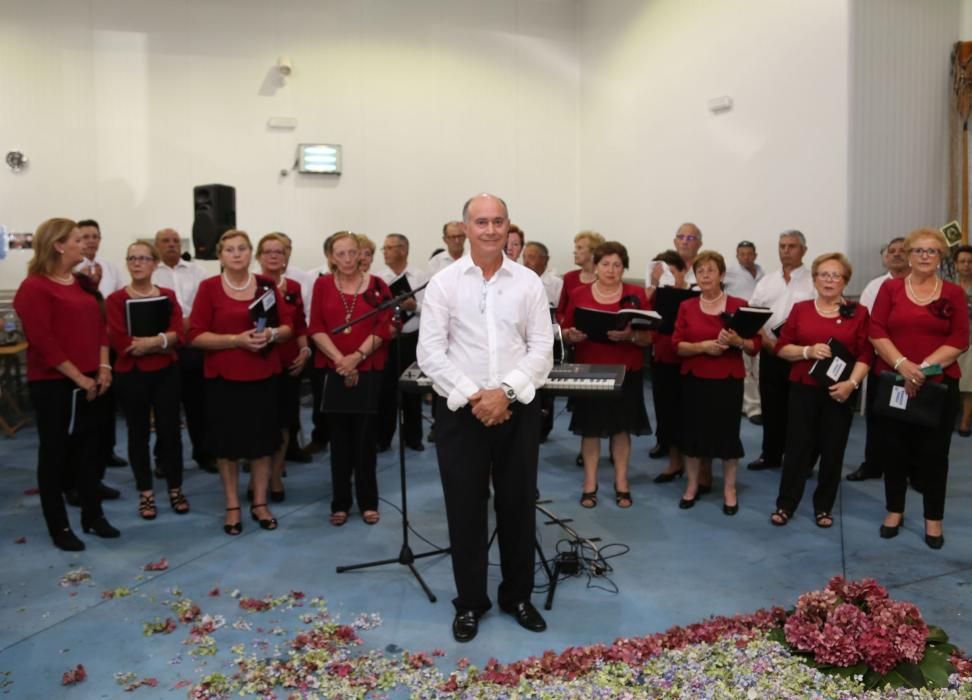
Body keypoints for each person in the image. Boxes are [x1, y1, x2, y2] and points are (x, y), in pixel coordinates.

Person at [418, 193, 553, 643]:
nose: (491, 230)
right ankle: (470, 602)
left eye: (498, 222)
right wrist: (477, 396)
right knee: (465, 510)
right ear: (466, 228)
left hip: (517, 408)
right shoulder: (444, 283)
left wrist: (506, 393)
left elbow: (541, 350)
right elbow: (430, 353)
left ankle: (517, 596)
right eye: (481, 222)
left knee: (517, 505)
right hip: (462, 411)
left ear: (509, 226)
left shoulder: (528, 282)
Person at [14, 218, 120, 550]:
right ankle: (58, 526)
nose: (85, 244)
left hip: (93, 378)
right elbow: (44, 342)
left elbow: (101, 327)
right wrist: (79, 378)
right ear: (59, 245)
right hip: (56, 384)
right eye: (77, 239)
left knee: (91, 451)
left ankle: (93, 514)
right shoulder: (35, 287)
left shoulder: (82, 284)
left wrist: (103, 367)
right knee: (56, 455)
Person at [188, 230, 293, 535]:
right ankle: (232, 504)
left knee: (262, 444)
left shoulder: (266, 285)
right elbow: (194, 335)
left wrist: (270, 335)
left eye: (242, 248)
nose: (236, 254)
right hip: (223, 377)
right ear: (220, 256)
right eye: (230, 249)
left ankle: (260, 502)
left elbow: (286, 327)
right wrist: (235, 340)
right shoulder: (209, 288)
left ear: (251, 254)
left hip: (262, 374)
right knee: (227, 446)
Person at [869, 228, 969, 549]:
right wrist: (903, 365)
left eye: (932, 251)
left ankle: (933, 519)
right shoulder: (890, 289)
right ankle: (894, 510)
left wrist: (923, 368)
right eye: (919, 251)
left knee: (934, 454)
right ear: (908, 255)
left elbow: (959, 339)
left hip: (938, 384)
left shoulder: (952, 293)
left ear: (941, 258)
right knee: (894, 449)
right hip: (894, 381)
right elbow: (876, 329)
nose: (925, 256)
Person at [770, 253, 871, 528]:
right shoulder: (801, 309)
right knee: (796, 450)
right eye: (823, 274)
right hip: (803, 390)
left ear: (845, 281)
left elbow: (865, 354)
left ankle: (823, 507)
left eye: (835, 275)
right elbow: (781, 348)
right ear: (814, 279)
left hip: (840, 392)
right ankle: (786, 504)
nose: (829, 280)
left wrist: (851, 384)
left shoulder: (858, 313)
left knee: (833, 450)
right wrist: (807, 351)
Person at [309, 232, 392, 526]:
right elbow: (316, 326)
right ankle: (341, 502)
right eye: (339, 254)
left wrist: (356, 357)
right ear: (331, 257)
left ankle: (368, 501)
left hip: (368, 369)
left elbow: (384, 328)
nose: (346, 259)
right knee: (339, 439)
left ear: (361, 254)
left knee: (366, 440)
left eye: (351, 253)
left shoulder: (378, 286)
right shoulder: (321, 285)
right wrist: (340, 361)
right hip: (333, 370)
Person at [562, 241, 652, 508]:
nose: (611, 270)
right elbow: (565, 327)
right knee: (590, 429)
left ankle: (621, 481)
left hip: (626, 370)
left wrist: (631, 335)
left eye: (617, 265)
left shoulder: (636, 294)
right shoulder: (578, 293)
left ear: (624, 267)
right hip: (590, 369)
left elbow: (650, 336)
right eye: (605, 264)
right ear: (596, 266)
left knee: (621, 429)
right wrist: (570, 335)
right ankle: (590, 483)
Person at [672, 250, 761, 515]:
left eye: (711, 270)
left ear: (722, 275)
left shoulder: (738, 305)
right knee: (694, 436)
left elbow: (755, 345)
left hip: (727, 380)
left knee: (727, 436)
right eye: (700, 271)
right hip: (695, 379)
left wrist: (738, 342)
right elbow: (677, 346)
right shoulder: (686, 306)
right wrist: (702, 346)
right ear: (695, 276)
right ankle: (691, 485)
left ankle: (729, 489)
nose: (706, 275)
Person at [106, 241, 188, 519]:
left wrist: (153, 342)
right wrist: (161, 342)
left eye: (143, 258)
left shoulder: (168, 295)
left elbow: (179, 332)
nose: (137, 263)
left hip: (166, 372)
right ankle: (146, 494)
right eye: (132, 258)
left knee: (171, 433)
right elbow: (119, 340)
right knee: (137, 434)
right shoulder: (116, 300)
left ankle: (175, 488)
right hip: (132, 375)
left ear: (154, 264)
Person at [747, 230, 815, 471]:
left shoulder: (813, 280)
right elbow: (753, 315)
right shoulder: (766, 281)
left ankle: (801, 460)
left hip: (802, 354)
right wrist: (766, 341)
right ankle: (771, 454)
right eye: (782, 246)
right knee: (772, 405)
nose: (786, 250)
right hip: (770, 351)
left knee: (800, 410)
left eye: (792, 246)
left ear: (803, 250)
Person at [152, 227, 215, 473]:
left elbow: (204, 306)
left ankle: (204, 454)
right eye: (165, 241)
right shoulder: (151, 272)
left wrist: (187, 325)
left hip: (193, 345)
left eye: (175, 241)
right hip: (164, 346)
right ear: (157, 245)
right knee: (165, 408)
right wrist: (178, 326)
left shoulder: (198, 271)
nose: (171, 244)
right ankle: (165, 458)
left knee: (198, 405)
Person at [846, 237, 908, 481]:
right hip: (882, 362)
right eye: (891, 251)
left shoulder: (923, 285)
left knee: (912, 420)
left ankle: (912, 470)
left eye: (902, 251)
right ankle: (873, 465)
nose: (896, 255)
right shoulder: (875, 286)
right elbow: (868, 324)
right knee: (878, 417)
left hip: (915, 364)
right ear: (884, 257)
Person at [254, 233, 310, 502]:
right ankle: (259, 478)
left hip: (289, 364)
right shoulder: (251, 286)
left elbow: (299, 324)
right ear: (259, 257)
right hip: (260, 362)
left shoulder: (294, 287)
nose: (274, 256)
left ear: (286, 256)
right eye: (268, 251)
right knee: (262, 423)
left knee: (286, 423)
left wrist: (305, 349)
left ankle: (275, 475)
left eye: (279, 251)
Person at [75, 219, 127, 472]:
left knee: (109, 399)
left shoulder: (110, 267)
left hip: (110, 339)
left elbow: (117, 299)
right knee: (88, 405)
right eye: (85, 236)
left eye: (95, 236)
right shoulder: (72, 270)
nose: (91, 240)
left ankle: (108, 450)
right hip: (84, 342)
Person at [377, 233, 427, 452]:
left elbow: (434, 310)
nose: (385, 252)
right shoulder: (379, 278)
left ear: (404, 250)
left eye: (390, 247)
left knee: (412, 390)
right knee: (386, 391)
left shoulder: (421, 277)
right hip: (388, 340)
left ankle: (413, 437)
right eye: (384, 248)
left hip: (413, 339)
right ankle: (383, 437)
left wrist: (413, 307)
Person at [647, 250, 691, 481]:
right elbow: (644, 309)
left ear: (683, 271)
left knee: (686, 411)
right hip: (662, 355)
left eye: (672, 271)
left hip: (687, 357)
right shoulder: (657, 292)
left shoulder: (692, 294)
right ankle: (673, 459)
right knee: (665, 409)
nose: (668, 276)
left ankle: (692, 463)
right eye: (663, 272)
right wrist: (654, 284)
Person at [723, 241, 765, 424]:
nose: (746, 257)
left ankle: (752, 404)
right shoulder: (729, 273)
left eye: (749, 254)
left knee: (758, 367)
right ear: (737, 255)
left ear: (755, 255)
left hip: (759, 321)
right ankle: (752, 408)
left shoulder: (764, 274)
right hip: (739, 321)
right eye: (742, 254)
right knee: (745, 366)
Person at [555, 230, 604, 323]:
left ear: (594, 252)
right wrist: (566, 324)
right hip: (570, 332)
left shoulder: (606, 279)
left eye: (579, 248)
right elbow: (560, 311)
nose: (574, 251)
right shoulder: (569, 277)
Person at [955, 245, 972, 436]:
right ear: (956, 264)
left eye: (970, 262)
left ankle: (965, 420)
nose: (966, 265)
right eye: (962, 262)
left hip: (971, 338)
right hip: (948, 340)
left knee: (968, 383)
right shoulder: (947, 284)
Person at [522, 241, 563, 308]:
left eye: (531, 257)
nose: (526, 262)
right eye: (524, 257)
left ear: (545, 259)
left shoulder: (558, 285)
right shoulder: (518, 283)